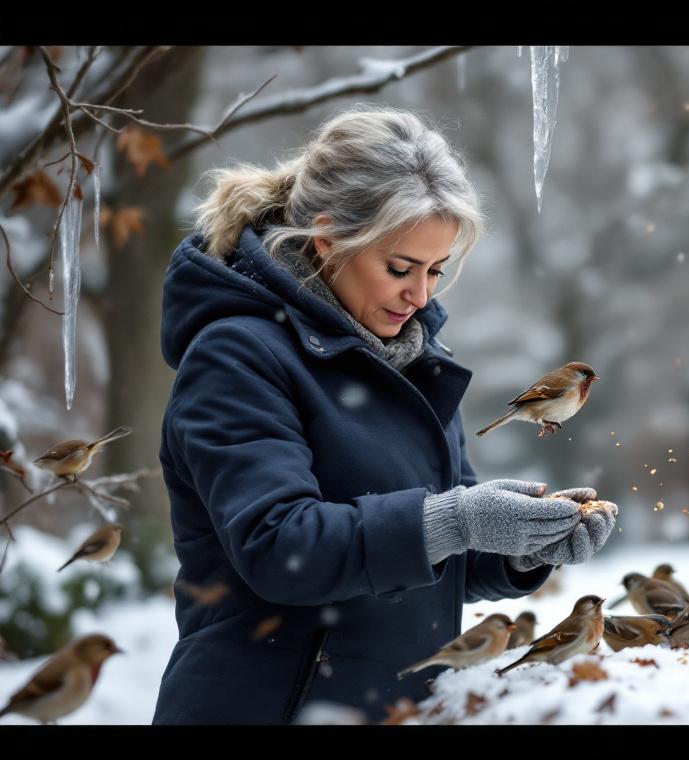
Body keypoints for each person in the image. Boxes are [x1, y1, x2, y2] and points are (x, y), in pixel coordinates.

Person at [152, 106, 616, 724]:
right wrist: (459, 519)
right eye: (400, 269)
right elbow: (280, 547)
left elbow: (434, 553)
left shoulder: (417, 359)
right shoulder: (236, 356)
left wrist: (525, 545)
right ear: (328, 240)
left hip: (394, 708)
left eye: (434, 271)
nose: (420, 296)